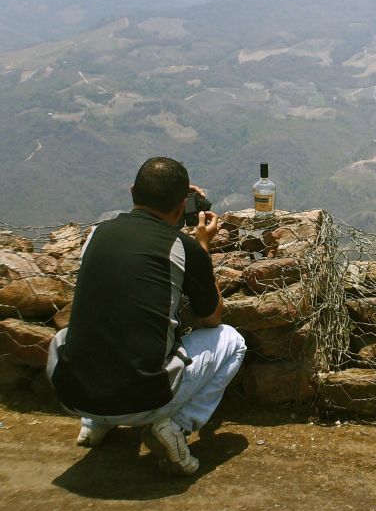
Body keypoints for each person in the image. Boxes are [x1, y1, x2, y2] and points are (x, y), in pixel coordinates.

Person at [46, 157, 247, 476]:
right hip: (144, 400)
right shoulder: (184, 247)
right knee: (233, 342)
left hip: (73, 394)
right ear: (182, 206)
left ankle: (95, 423)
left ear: (131, 192)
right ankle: (177, 427)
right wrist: (202, 246)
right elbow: (212, 318)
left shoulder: (96, 235)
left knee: (70, 335)